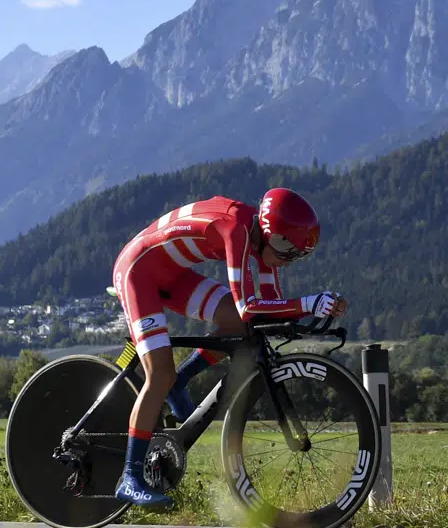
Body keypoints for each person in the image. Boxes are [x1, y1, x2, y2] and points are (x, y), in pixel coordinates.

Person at [109, 187, 346, 506]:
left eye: (297, 256)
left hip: (173, 274)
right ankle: (130, 477)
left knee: (237, 326)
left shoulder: (264, 240)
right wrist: (308, 303)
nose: (288, 262)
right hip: (138, 272)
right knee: (159, 375)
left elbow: (269, 306)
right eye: (287, 252)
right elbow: (250, 306)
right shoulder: (236, 230)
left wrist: (312, 309)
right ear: (271, 235)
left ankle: (182, 378)